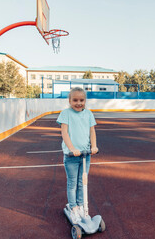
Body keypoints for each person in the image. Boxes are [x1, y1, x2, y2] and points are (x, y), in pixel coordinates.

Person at [57, 87, 99, 224]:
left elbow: (92, 131)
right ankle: (73, 207)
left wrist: (94, 146)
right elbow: (64, 133)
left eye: (81, 100)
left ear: (85, 101)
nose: (78, 103)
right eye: (75, 100)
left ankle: (81, 206)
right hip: (71, 156)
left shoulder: (88, 114)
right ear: (70, 101)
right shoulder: (65, 113)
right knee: (73, 183)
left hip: (86, 155)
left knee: (82, 183)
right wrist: (72, 148)